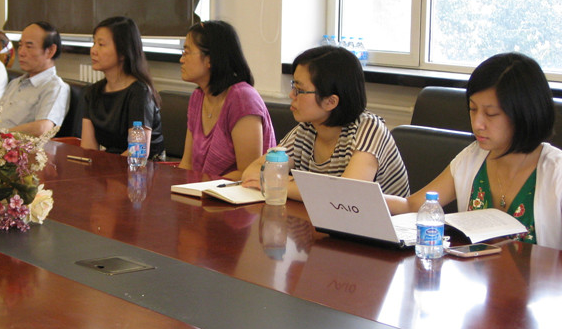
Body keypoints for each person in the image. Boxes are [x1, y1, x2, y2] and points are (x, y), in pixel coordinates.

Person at [386, 52, 562, 251]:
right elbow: (413, 205)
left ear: (524, 114)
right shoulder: (472, 158)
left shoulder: (560, 171)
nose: (477, 124)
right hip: (474, 271)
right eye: (473, 109)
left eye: (491, 114)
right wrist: (365, 198)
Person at [242, 46, 409, 200]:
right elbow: (253, 172)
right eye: (293, 86)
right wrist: (290, 184)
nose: (291, 95)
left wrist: (279, 183)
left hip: (382, 222)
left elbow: (347, 194)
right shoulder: (307, 129)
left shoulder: (369, 129)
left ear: (331, 102)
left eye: (299, 90)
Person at [178, 20, 275, 179]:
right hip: (202, 190)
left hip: (236, 192)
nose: (182, 60)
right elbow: (187, 164)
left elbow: (248, 173)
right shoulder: (198, 97)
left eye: (187, 53)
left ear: (210, 59)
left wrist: (201, 187)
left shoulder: (242, 99)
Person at [80, 16, 164, 158]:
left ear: (123, 52)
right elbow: (88, 149)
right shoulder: (92, 92)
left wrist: (106, 169)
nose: (93, 50)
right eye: (94, 43)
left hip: (144, 167)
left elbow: (138, 152)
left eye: (101, 44)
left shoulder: (139, 93)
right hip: (112, 165)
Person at [0, 21, 70, 135]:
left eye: (29, 46)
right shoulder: (16, 82)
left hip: (12, 143)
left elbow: (43, 128)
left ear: (50, 51)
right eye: (20, 45)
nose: (21, 52)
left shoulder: (55, 87)